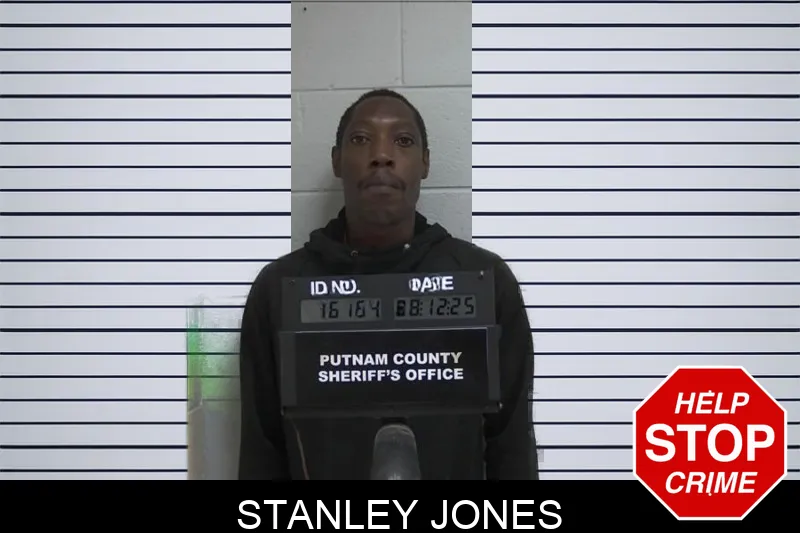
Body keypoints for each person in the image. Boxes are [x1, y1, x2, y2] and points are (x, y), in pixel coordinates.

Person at [237, 88, 538, 480]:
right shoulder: (278, 289)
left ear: (425, 162)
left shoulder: (486, 280)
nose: (381, 154)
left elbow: (511, 447)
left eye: (404, 140)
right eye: (361, 139)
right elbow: (261, 451)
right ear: (336, 161)